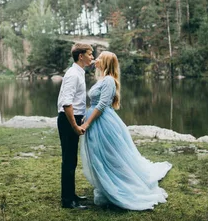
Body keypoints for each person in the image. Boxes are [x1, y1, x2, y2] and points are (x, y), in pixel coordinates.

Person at [80, 51, 172, 210]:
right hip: (95, 120)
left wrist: (87, 123)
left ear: (106, 63)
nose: (96, 59)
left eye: (100, 58)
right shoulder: (101, 79)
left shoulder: (108, 80)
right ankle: (106, 183)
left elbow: (102, 105)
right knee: (99, 154)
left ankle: (118, 184)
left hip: (102, 122)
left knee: (110, 154)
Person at [56, 43, 94, 210]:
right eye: (90, 54)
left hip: (74, 118)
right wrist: (75, 126)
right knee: (69, 160)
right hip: (68, 120)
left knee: (72, 160)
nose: (92, 57)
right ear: (81, 56)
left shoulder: (79, 72)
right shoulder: (73, 74)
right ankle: (67, 201)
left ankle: (72, 195)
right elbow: (66, 103)